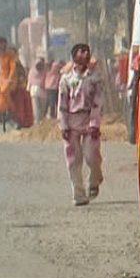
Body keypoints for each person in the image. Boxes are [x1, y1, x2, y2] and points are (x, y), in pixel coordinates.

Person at [57, 43, 106, 205]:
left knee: (92, 157)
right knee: (73, 160)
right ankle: (78, 194)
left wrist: (95, 123)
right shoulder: (66, 79)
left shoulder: (95, 78)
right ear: (74, 56)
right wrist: (63, 125)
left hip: (88, 120)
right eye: (81, 51)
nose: (85, 54)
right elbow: (62, 103)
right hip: (71, 122)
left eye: (87, 52)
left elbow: (98, 102)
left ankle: (95, 180)